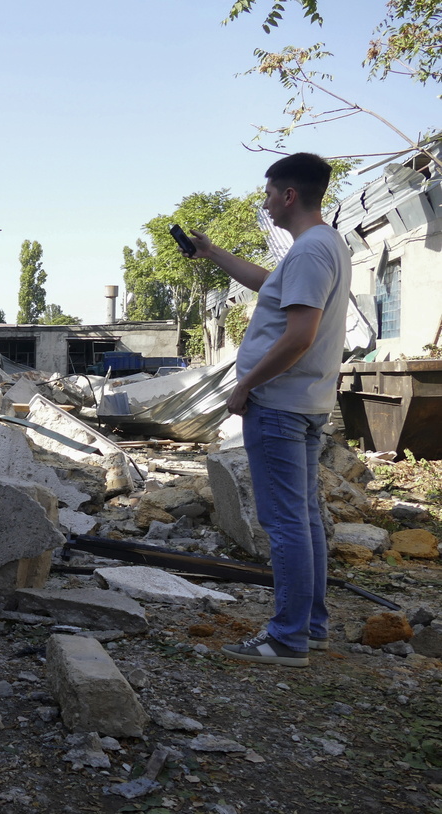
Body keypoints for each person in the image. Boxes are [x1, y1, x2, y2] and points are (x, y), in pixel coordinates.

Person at [185, 152, 351, 668]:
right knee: (303, 519)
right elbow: (268, 287)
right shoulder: (323, 245)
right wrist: (213, 253)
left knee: (285, 524)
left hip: (278, 403)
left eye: (268, 194)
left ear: (289, 195)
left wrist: (246, 385)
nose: (265, 204)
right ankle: (311, 627)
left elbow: (298, 336)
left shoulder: (308, 252)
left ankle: (286, 638)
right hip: (305, 403)